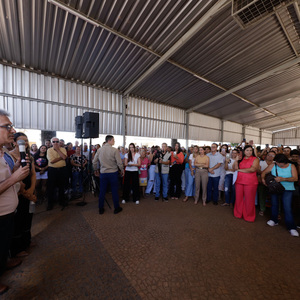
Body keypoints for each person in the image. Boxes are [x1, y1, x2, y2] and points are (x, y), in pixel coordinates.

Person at [0, 110, 30, 295]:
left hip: (7, 212)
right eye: (7, 126)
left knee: (4, 245)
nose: (13, 130)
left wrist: (16, 170)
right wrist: (14, 179)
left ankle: (4, 262)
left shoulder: (3, 153)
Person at [9, 133, 37, 258]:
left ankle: (27, 241)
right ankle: (17, 249)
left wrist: (31, 190)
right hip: (17, 191)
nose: (24, 143)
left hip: (28, 190)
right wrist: (24, 192)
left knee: (28, 216)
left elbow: (33, 174)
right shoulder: (8, 156)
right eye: (21, 141)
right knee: (18, 220)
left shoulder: (29, 156)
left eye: (26, 141)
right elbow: (10, 176)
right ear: (14, 142)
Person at [261, 154, 299, 237]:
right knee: (274, 204)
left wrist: (283, 179)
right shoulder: (273, 165)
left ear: (284, 162)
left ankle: (291, 227)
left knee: (287, 207)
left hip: (288, 189)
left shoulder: (291, 166)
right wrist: (263, 179)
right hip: (275, 188)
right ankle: (274, 220)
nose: (277, 164)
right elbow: (264, 172)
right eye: (276, 162)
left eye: (278, 163)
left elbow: (295, 178)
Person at [93, 135, 123, 214]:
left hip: (103, 173)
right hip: (113, 173)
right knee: (114, 191)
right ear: (110, 140)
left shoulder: (99, 150)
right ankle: (116, 208)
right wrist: (122, 170)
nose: (114, 141)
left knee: (102, 191)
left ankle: (100, 208)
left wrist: (96, 170)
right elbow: (119, 162)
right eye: (113, 140)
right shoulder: (114, 150)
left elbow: (94, 161)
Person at [233, 145, 259, 222]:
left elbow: (253, 169)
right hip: (239, 181)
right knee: (238, 198)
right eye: (247, 150)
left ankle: (249, 216)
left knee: (249, 200)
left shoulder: (255, 159)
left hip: (250, 182)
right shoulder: (241, 158)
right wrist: (236, 161)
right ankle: (238, 213)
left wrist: (240, 170)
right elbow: (235, 169)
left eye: (250, 150)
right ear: (244, 151)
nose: (249, 152)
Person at [46, 137, 67, 210]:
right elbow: (52, 161)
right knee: (51, 187)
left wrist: (58, 150)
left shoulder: (63, 149)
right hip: (52, 170)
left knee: (62, 187)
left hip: (62, 170)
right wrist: (61, 157)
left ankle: (62, 201)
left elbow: (64, 157)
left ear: (59, 142)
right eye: (54, 142)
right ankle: (50, 203)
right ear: (51, 143)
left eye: (57, 141)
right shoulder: (49, 150)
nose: (55, 143)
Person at [256, 151, 276, 216]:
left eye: (272, 155)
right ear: (266, 155)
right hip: (262, 181)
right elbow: (258, 171)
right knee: (262, 195)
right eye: (269, 155)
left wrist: (263, 172)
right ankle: (262, 209)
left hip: (273, 183)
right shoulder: (261, 162)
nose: (270, 156)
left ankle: (277, 212)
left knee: (275, 197)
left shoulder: (276, 163)